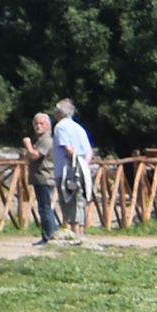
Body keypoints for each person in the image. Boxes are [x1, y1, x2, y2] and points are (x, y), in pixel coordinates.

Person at [52, 100, 96, 242]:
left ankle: (74, 233)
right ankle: (81, 233)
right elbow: (89, 151)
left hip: (66, 169)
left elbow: (67, 148)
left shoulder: (60, 127)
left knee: (68, 199)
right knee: (79, 200)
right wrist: (84, 164)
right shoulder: (79, 128)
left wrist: (76, 162)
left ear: (59, 113)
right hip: (82, 168)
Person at [27, 113, 59, 244]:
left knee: (45, 208)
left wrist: (27, 144)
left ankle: (49, 236)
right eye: (36, 124)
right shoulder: (41, 140)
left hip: (45, 177)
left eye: (41, 124)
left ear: (48, 126)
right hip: (40, 178)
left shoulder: (46, 140)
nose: (38, 126)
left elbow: (35, 155)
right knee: (43, 207)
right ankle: (49, 234)